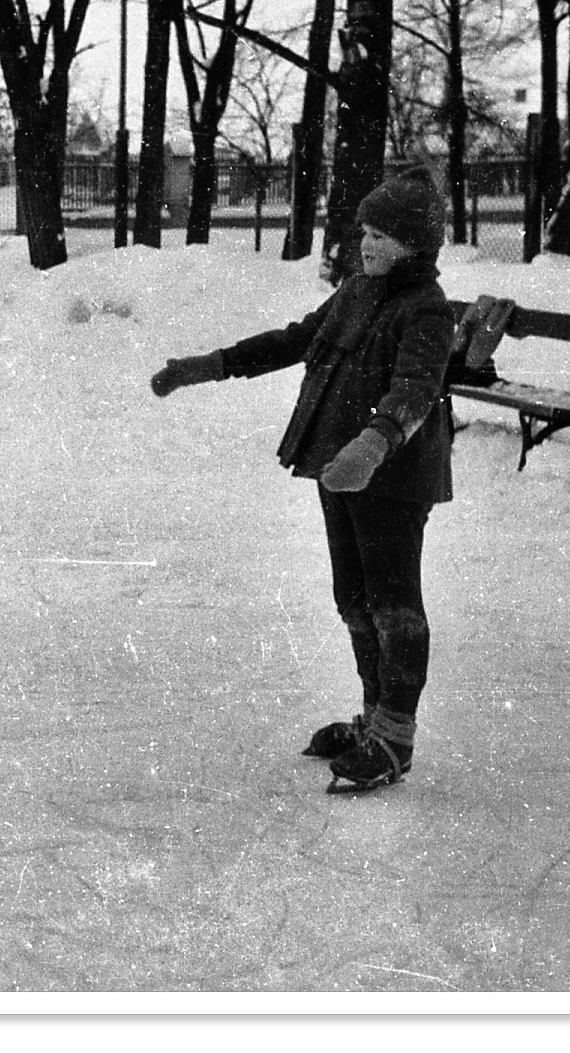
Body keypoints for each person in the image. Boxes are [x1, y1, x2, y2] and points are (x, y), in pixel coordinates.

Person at [149, 166, 455, 795]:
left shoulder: (425, 309)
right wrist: (212, 366)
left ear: (415, 246)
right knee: (354, 598)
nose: (366, 244)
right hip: (336, 469)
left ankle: (395, 735)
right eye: (364, 231)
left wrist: (374, 443)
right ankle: (372, 717)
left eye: (382, 236)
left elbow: (416, 389)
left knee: (394, 602)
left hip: (390, 478)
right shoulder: (356, 293)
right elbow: (295, 340)